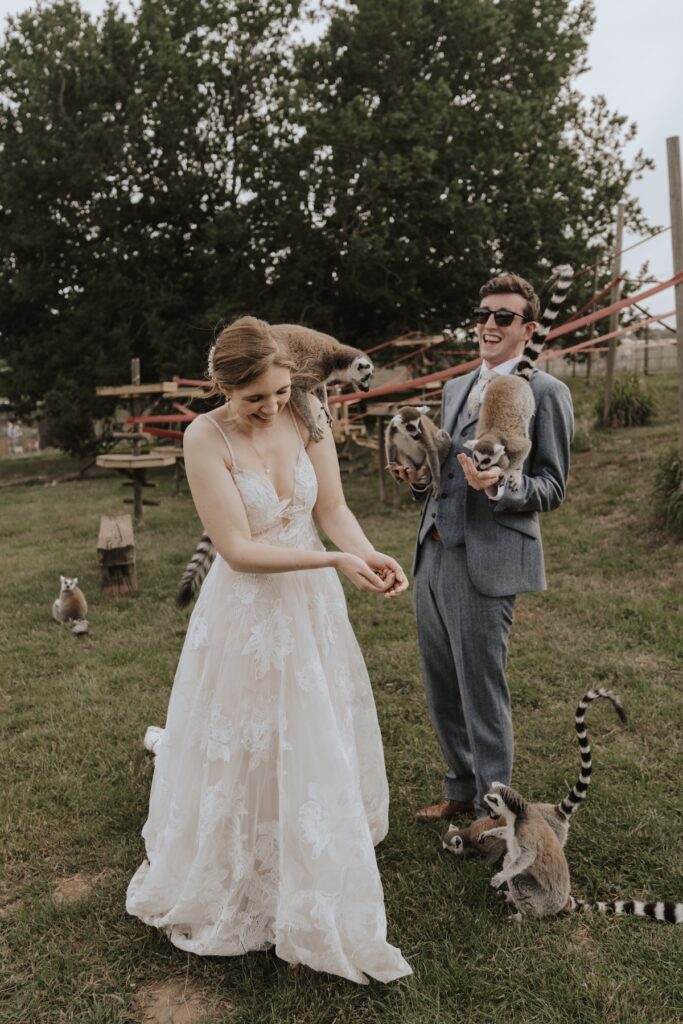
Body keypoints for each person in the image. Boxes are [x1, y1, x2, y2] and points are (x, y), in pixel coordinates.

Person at [126, 316, 412, 985]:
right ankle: (244, 864)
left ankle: (309, 847)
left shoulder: (306, 415)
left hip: (312, 604)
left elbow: (332, 510)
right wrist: (334, 562)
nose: (272, 407)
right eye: (256, 398)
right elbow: (237, 550)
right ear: (223, 386)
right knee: (250, 733)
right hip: (246, 612)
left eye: (281, 391)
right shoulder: (204, 437)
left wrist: (368, 555)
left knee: (310, 725)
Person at [391, 273, 573, 822]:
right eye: (482, 314)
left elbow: (553, 487)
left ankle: (496, 812)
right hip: (434, 553)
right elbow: (443, 472)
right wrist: (419, 477)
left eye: (503, 317)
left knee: (482, 692)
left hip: (487, 562)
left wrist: (498, 486)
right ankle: (460, 790)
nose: (488, 325)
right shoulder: (454, 388)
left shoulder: (546, 393)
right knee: (441, 685)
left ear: (529, 328)